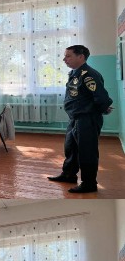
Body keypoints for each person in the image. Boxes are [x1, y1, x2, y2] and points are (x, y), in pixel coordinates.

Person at [48, 45, 113, 193]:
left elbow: (101, 97)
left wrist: (103, 108)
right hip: (75, 117)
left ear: (81, 57)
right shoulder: (75, 73)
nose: (64, 59)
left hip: (87, 119)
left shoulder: (89, 75)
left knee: (87, 151)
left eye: (68, 56)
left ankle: (89, 183)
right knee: (71, 148)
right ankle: (69, 174)